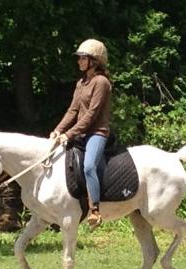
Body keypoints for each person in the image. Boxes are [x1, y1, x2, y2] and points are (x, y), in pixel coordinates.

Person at [50, 38, 111, 229]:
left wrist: (69, 134)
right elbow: (73, 111)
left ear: (94, 60)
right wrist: (58, 130)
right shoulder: (81, 83)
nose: (79, 61)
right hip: (81, 133)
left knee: (88, 167)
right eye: (79, 58)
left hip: (97, 133)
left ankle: (94, 210)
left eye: (82, 58)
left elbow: (91, 115)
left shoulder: (101, 82)